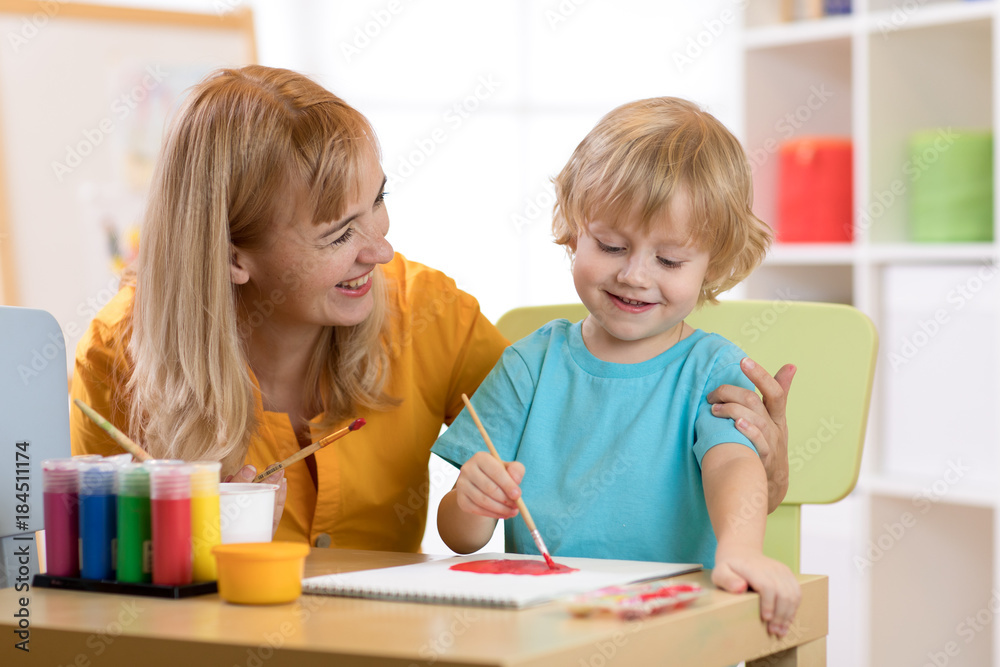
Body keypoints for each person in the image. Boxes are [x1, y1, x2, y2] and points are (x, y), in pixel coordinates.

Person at [70, 65, 793, 553]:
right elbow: (74, 585)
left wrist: (763, 460)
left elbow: (587, 425)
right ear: (234, 256)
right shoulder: (116, 356)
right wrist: (184, 529)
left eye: (377, 201)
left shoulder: (426, 314)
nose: (380, 250)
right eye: (338, 234)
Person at [432, 97, 800, 637]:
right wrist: (470, 500)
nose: (634, 275)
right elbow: (461, 539)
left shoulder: (713, 369)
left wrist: (742, 551)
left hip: (670, 629)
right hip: (543, 634)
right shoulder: (527, 366)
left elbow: (732, 466)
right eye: (610, 245)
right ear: (572, 230)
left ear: (712, 266)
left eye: (669, 261)